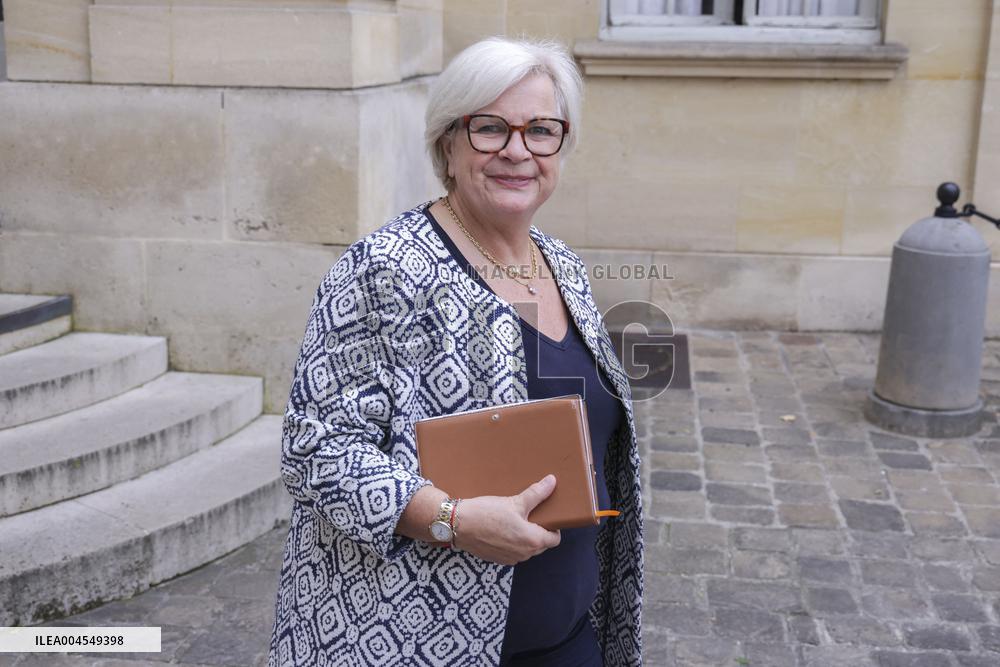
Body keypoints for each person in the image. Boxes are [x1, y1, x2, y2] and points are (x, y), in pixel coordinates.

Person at [268, 36, 644, 667]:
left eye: (540, 130)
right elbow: (316, 450)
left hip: (568, 637)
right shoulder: (384, 269)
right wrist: (453, 519)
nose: (517, 151)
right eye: (489, 128)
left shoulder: (561, 263)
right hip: (410, 641)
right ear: (448, 142)